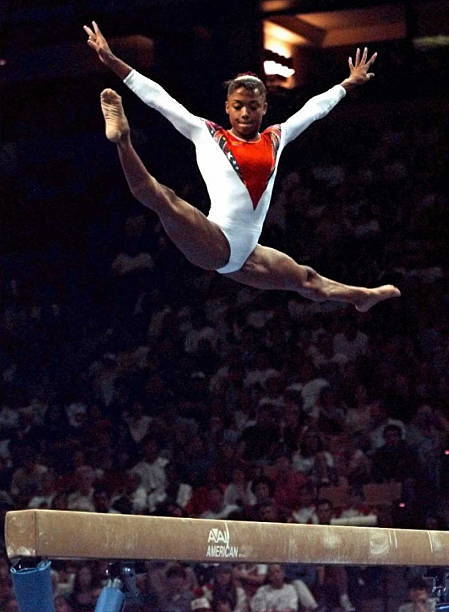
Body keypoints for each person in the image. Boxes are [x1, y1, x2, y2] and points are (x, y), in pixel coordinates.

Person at [84, 22, 400, 311]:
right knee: (163, 198)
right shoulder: (205, 132)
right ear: (227, 108)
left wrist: (348, 83)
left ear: (264, 108)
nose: (245, 113)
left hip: (247, 256)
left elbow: (313, 109)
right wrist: (112, 60)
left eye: (253, 106)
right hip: (212, 241)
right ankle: (122, 139)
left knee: (308, 281)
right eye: (238, 106)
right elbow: (158, 98)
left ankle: (361, 296)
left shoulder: (277, 137)